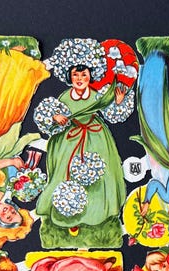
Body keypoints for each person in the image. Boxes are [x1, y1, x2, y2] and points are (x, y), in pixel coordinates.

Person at [34, 38, 134, 248]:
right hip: (69, 140)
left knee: (102, 177)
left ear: (91, 75)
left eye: (84, 74)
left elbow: (113, 115)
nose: (80, 79)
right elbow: (46, 116)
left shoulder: (98, 95)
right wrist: (56, 118)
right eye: (75, 75)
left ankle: (98, 217)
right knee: (64, 174)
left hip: (96, 138)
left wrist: (118, 102)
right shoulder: (64, 97)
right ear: (69, 76)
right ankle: (68, 218)